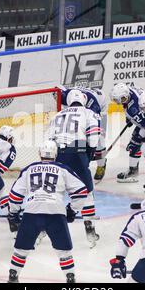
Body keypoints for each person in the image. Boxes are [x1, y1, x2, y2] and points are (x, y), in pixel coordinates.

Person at [7, 140, 92, 283]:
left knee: (21, 249)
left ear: (39, 153)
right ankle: (70, 278)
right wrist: (72, 210)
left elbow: (15, 195)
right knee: (64, 251)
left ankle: (13, 276)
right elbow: (81, 192)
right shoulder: (63, 169)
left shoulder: (29, 169)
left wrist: (13, 213)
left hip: (32, 211)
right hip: (56, 212)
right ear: (56, 154)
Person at [49, 89, 101, 247]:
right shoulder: (89, 113)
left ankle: (43, 230)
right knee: (87, 191)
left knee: (53, 193)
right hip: (77, 152)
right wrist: (89, 155)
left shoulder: (58, 114)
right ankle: (90, 230)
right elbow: (93, 140)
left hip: (58, 153)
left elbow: (49, 140)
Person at [59, 85, 109, 180]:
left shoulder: (92, 103)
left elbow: (95, 122)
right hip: (83, 105)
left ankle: (101, 165)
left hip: (100, 109)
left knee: (99, 140)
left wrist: (91, 148)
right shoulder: (65, 96)